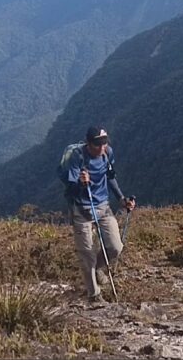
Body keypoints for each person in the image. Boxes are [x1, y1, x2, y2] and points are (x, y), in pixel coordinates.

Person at [59, 126, 136, 302]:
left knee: (115, 247)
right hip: (81, 208)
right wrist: (81, 183)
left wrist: (122, 199)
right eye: (97, 144)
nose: (101, 147)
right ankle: (94, 295)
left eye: (104, 143)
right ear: (88, 143)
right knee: (87, 254)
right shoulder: (78, 157)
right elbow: (70, 187)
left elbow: (110, 177)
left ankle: (96, 269)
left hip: (103, 206)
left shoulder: (107, 153)